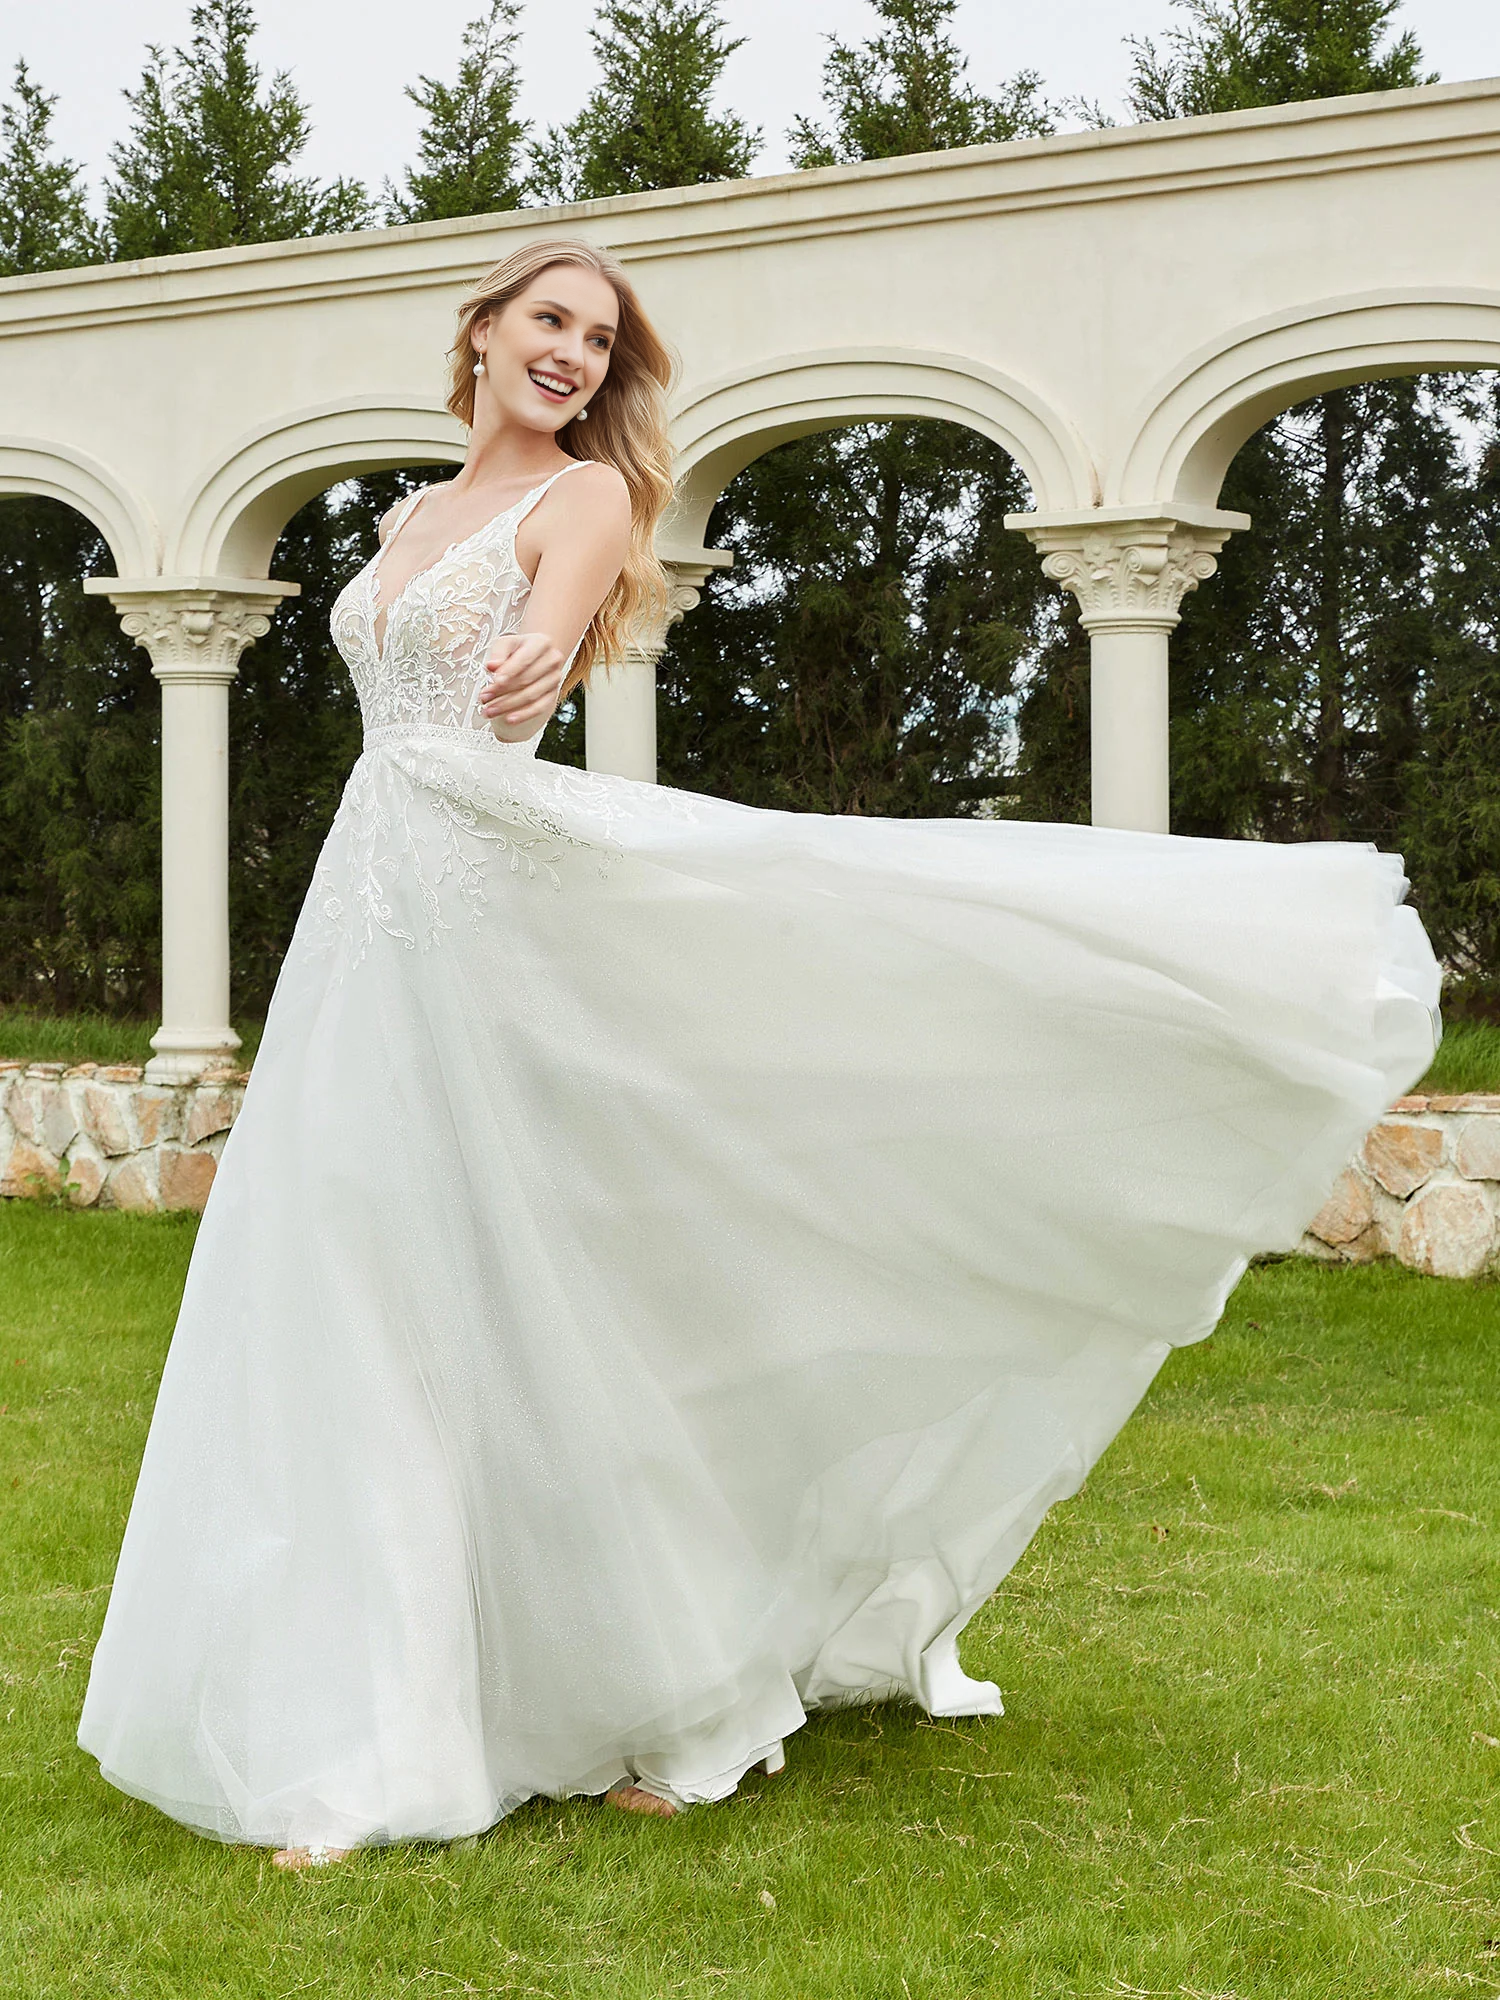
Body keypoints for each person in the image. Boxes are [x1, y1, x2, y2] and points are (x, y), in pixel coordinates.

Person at [78, 237, 1441, 1868]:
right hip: (373, 924)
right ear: (484, 331)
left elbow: (526, 677)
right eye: (551, 323)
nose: (575, 356)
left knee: (554, 1297)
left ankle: (687, 1692)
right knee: (372, 1297)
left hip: (481, 893)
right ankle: (382, 1714)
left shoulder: (580, 504)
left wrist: (533, 663)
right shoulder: (401, 522)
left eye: (600, 338)